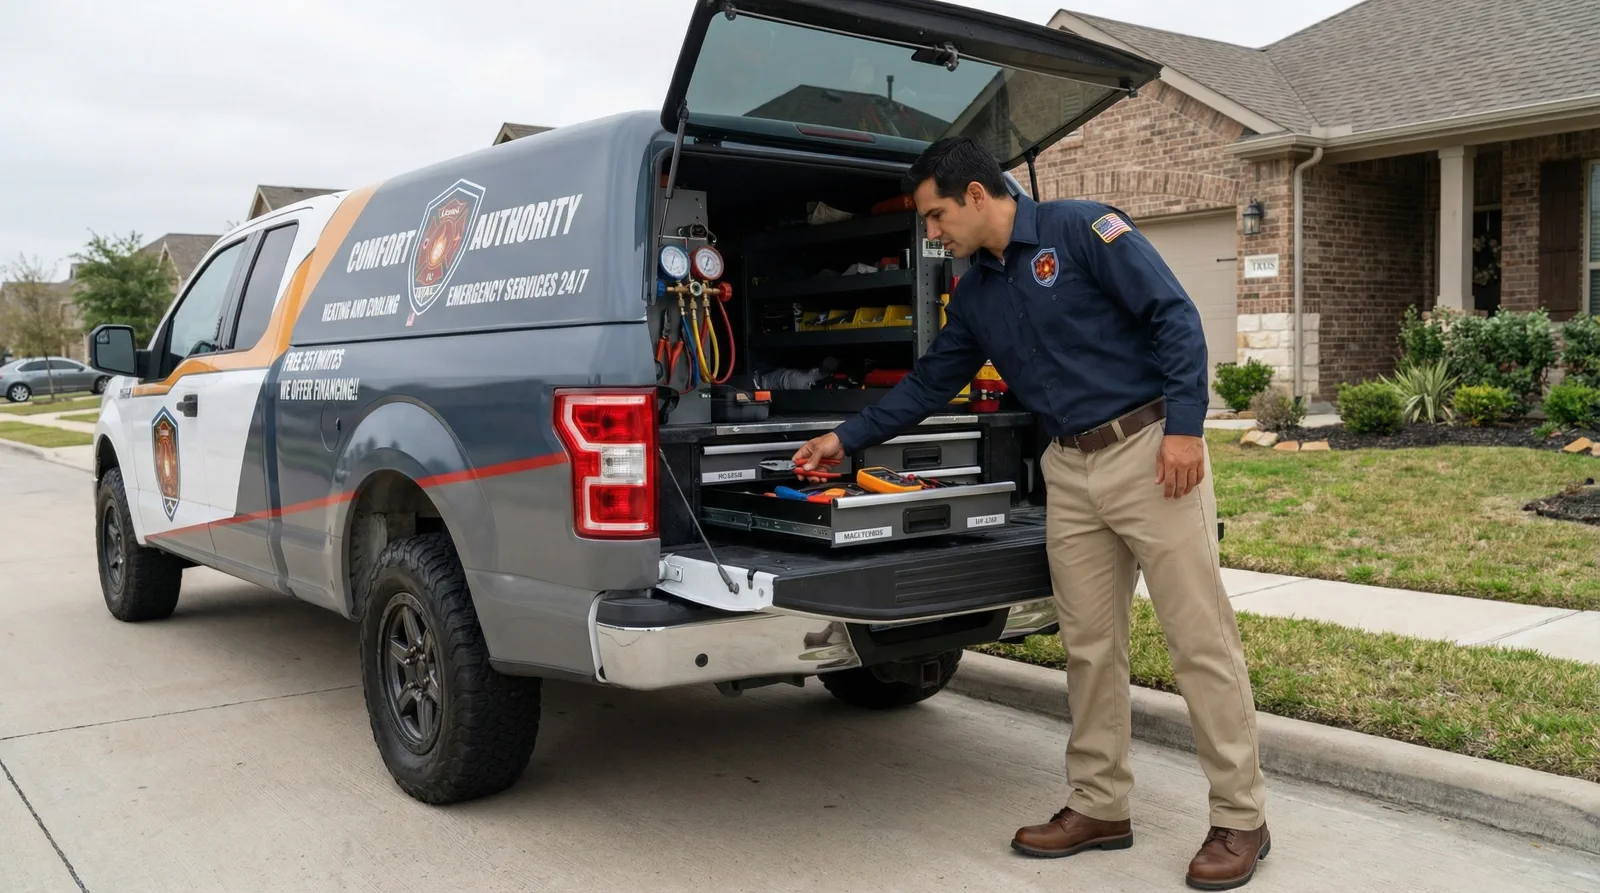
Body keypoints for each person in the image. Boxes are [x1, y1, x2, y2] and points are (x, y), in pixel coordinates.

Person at [792, 137, 1270, 891]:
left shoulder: (1084, 230)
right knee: (1089, 646)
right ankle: (1100, 804)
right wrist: (844, 438)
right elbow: (929, 382)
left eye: (937, 214)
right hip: (1068, 470)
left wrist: (1186, 428)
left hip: (1150, 452)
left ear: (977, 195)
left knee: (1199, 641)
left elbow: (1174, 316)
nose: (932, 232)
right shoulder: (975, 291)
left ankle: (1241, 818)